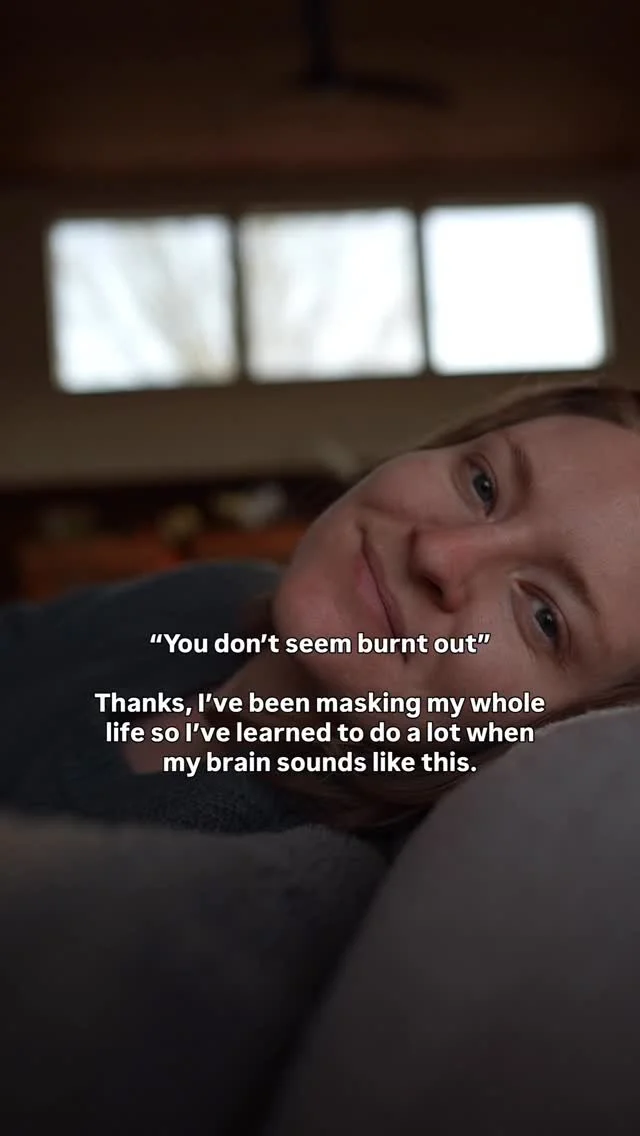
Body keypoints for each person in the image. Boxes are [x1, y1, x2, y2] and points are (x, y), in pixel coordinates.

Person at [3, 379, 640, 847]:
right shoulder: (214, 594)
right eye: (483, 484)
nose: (440, 553)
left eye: (545, 618)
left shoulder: (261, 885)